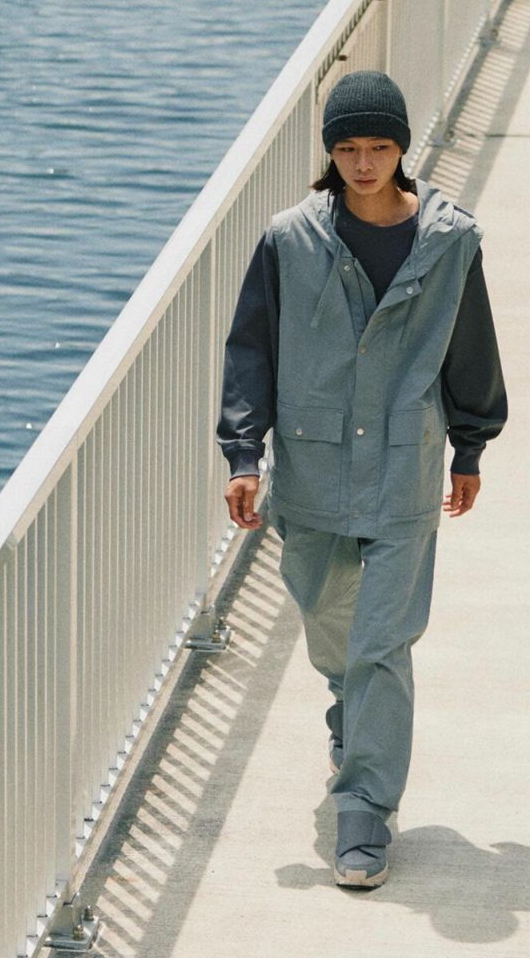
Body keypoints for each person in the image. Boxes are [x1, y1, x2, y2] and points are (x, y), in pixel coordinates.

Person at [216, 70, 507, 888]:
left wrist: (470, 447)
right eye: (348, 148)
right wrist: (243, 455)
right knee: (329, 621)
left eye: (380, 147)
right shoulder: (289, 240)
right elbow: (251, 350)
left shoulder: (450, 241)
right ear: (330, 153)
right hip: (312, 470)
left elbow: (471, 348)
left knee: (382, 643)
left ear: (402, 149)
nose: (365, 163)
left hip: (405, 468)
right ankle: (351, 712)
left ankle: (365, 813)